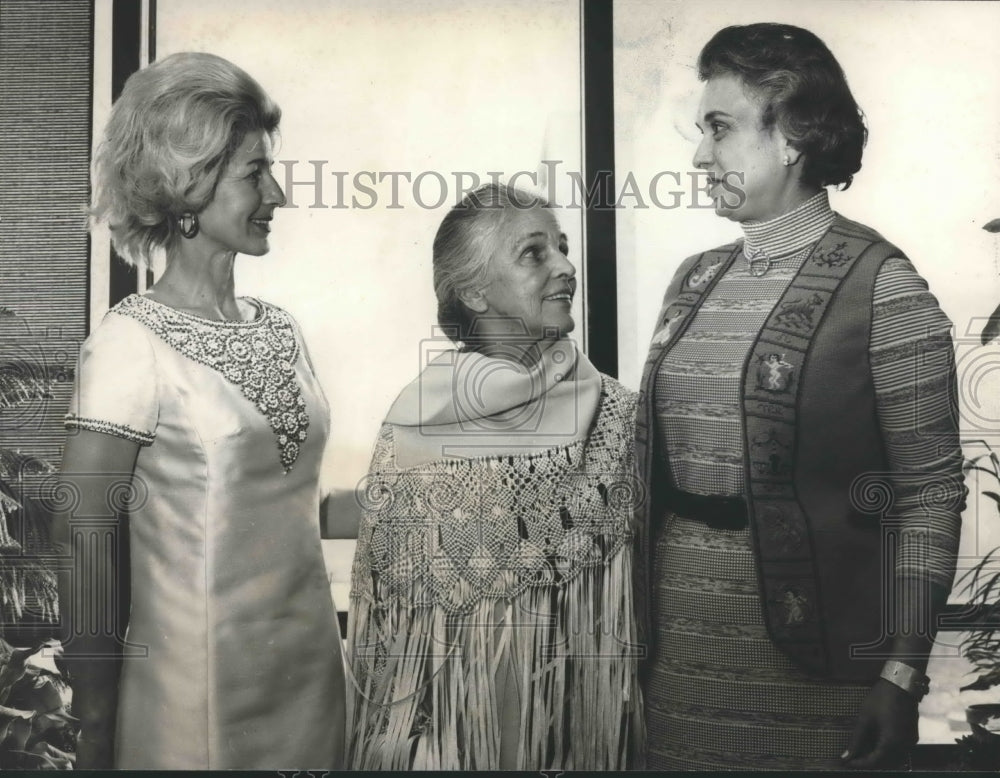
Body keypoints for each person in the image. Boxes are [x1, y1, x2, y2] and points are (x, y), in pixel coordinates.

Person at [634, 23, 964, 771]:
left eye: (719, 128)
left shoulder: (887, 290)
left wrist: (902, 675)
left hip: (814, 679)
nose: (697, 154)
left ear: (790, 135)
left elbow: (930, 496)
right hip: (675, 657)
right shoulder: (691, 280)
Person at [53, 52, 345, 769]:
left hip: (314, 683)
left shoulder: (283, 329)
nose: (276, 192)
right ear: (187, 183)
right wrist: (94, 721)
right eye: (254, 173)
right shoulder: (128, 345)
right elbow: (84, 542)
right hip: (193, 705)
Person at [346, 183, 643, 770]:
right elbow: (387, 619)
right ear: (475, 291)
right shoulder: (415, 420)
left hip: (577, 735)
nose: (565, 266)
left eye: (561, 246)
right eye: (534, 253)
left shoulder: (618, 416)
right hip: (445, 740)